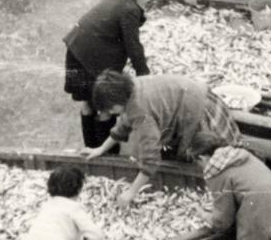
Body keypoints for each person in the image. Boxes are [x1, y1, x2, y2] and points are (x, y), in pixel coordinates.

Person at [84, 71, 242, 210]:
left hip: (198, 108)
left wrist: (131, 193)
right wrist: (101, 149)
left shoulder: (141, 113)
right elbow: (124, 125)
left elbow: (151, 159)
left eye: (110, 108)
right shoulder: (131, 89)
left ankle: (236, 191)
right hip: (191, 92)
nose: (110, 112)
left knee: (217, 158)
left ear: (118, 101)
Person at [63, 0, 159, 148]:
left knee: (88, 102)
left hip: (75, 50)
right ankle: (106, 153)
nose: (149, 1)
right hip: (93, 59)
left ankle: (90, 147)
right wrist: (144, 76)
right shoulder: (130, 9)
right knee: (108, 105)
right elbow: (133, 46)